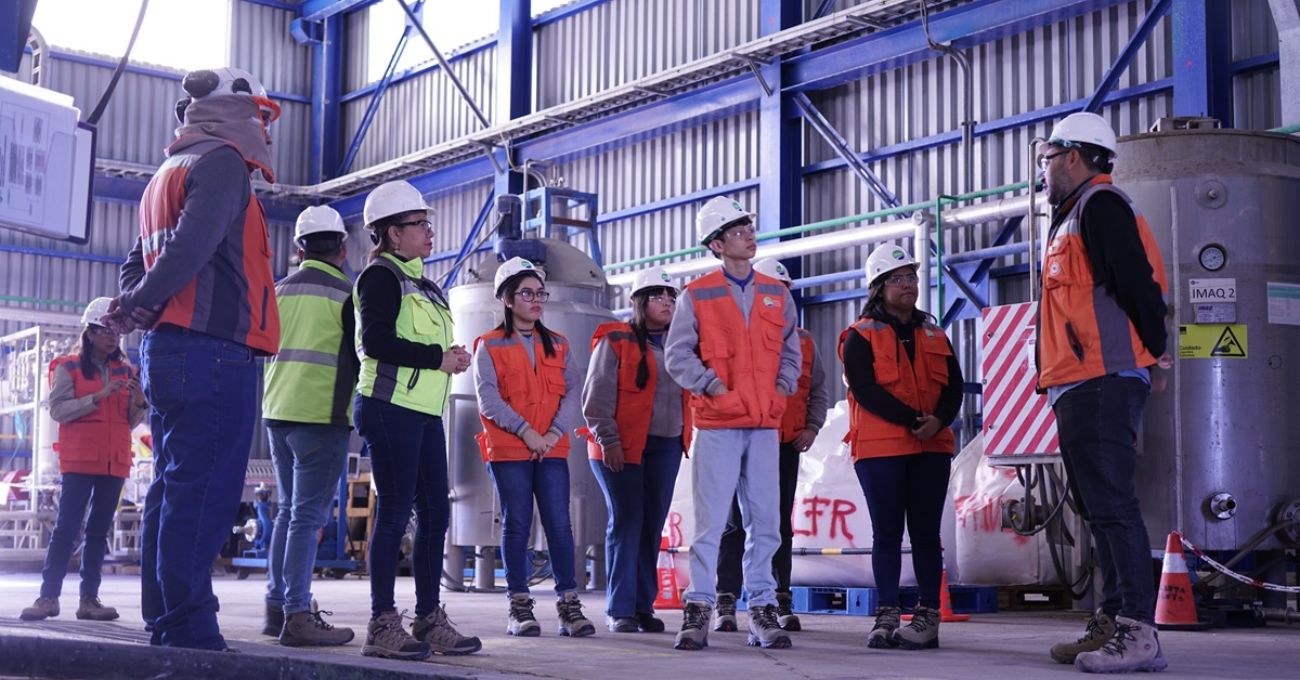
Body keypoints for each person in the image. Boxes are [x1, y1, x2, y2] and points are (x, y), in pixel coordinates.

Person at [107, 67, 281, 651]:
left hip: (169, 349)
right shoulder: (222, 162)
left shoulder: (167, 172)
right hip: (211, 348)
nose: (264, 126)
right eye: (258, 114)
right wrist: (141, 303)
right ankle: (188, 625)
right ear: (233, 112)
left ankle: (164, 616)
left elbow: (137, 260)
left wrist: (137, 307)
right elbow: (189, 247)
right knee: (203, 489)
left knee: (173, 486)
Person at [1034, 112, 1168, 674]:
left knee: (1112, 504)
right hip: (1077, 381)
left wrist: (1154, 351)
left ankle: (1138, 631)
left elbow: (1136, 283)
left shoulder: (1101, 206)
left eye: (1049, 159)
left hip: (1103, 378)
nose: (1044, 170)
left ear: (1073, 156)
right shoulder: (1069, 216)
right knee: (1095, 505)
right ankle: (1112, 621)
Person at [664, 196, 802, 651]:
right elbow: (677, 354)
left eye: (748, 226)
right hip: (719, 424)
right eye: (737, 228)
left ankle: (762, 608)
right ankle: (700, 606)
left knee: (767, 523)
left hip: (763, 425)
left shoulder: (776, 292)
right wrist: (712, 387)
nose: (748, 232)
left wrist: (782, 388)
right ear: (717, 244)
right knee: (711, 524)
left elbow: (790, 350)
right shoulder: (697, 294)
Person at [353, 180, 480, 660]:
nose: (429, 231)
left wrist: (450, 358)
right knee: (392, 516)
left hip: (425, 413)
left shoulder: (424, 283)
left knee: (435, 514)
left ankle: (428, 617)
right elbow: (376, 343)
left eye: (428, 223)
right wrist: (438, 358)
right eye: (418, 224)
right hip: (389, 409)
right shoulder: (380, 277)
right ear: (391, 232)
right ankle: (382, 624)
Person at [839, 245, 963, 651]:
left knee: (927, 533)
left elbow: (954, 388)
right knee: (887, 533)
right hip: (881, 448)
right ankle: (887, 613)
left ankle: (928, 614)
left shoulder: (935, 332)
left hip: (933, 445)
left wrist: (939, 421)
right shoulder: (859, 336)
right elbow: (865, 389)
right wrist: (914, 421)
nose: (908, 284)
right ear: (878, 287)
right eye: (898, 278)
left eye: (911, 276)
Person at [473, 257, 595, 639]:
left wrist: (555, 432)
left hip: (552, 447)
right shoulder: (488, 345)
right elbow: (487, 398)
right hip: (510, 447)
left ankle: (569, 606)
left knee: (559, 523)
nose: (537, 299)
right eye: (527, 293)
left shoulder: (558, 344)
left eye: (540, 292)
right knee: (517, 522)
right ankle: (519, 606)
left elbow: (573, 389)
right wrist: (527, 432)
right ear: (507, 299)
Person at [712, 258, 829, 634]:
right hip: (739, 442)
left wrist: (812, 427)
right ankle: (726, 601)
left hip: (783, 445)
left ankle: (780, 600)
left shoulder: (805, 340)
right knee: (733, 525)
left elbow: (817, 390)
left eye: (785, 291)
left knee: (777, 524)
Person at [259, 205, 359, 647]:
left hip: (277, 411)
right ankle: (298, 614)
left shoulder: (277, 290)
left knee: (286, 512)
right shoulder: (348, 294)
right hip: (322, 416)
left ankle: (276, 606)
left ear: (299, 249)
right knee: (305, 517)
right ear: (342, 248)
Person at [19, 298, 147, 623]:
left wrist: (139, 403)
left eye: (116, 331)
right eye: (106, 330)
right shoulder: (68, 366)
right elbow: (58, 409)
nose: (113, 336)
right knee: (66, 529)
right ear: (89, 332)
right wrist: (99, 396)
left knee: (98, 531)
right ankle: (48, 598)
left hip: (114, 462)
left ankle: (89, 600)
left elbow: (127, 422)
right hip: (79, 461)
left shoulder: (126, 370)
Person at [580, 265, 689, 633]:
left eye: (671, 296)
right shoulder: (615, 338)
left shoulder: (680, 345)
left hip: (666, 445)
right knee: (627, 522)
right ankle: (619, 608)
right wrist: (608, 440)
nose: (667, 301)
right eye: (658, 295)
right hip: (619, 447)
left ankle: (643, 606)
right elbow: (595, 397)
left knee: (651, 525)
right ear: (640, 302)